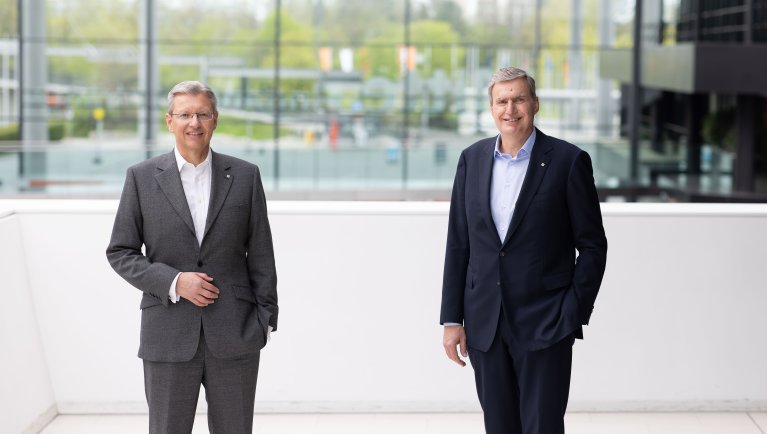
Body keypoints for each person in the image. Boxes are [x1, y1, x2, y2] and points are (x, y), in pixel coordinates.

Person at [440, 67, 607, 434]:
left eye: (518, 99)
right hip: (485, 323)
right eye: (502, 100)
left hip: (546, 322)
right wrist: (452, 320)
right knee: (499, 427)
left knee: (542, 427)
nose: (510, 109)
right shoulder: (472, 159)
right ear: (491, 107)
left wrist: (572, 310)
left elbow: (593, 245)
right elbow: (459, 243)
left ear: (535, 104)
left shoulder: (568, 162)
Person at [106, 81, 278, 434]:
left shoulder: (245, 176)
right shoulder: (141, 178)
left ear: (215, 120)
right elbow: (120, 251)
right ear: (169, 121)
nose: (194, 123)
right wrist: (173, 281)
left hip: (236, 332)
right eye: (185, 114)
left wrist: (265, 319)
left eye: (202, 114)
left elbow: (261, 251)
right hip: (167, 333)